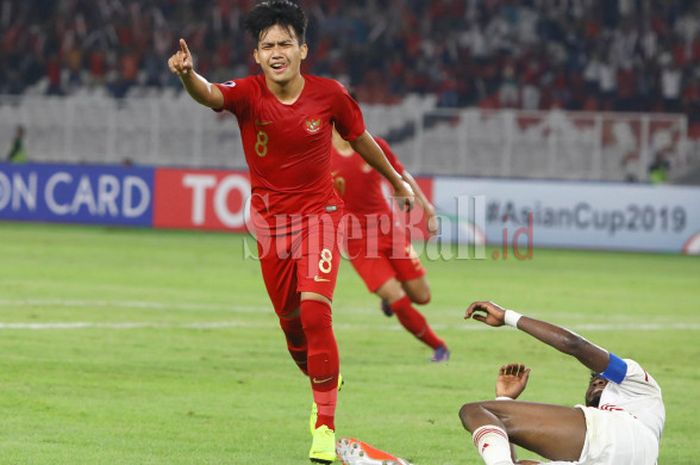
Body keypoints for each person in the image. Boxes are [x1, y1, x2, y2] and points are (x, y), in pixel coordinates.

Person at [167, 2, 414, 463]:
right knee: (294, 329)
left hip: (321, 217)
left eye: (284, 43)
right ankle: (323, 377)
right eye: (267, 46)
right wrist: (187, 76)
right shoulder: (246, 93)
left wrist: (397, 181)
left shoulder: (330, 96)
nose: (276, 52)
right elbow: (208, 94)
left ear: (303, 49)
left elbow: (363, 140)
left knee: (316, 313)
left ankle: (324, 426)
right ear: (256, 56)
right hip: (271, 228)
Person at [459, 301, 664, 465]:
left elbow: (574, 344)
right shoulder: (604, 421)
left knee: (473, 411)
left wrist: (507, 317)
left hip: (633, 439)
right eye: (592, 381)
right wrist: (504, 399)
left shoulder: (637, 383)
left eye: (602, 378)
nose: (596, 382)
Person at [330, 128, 449, 362]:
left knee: (422, 296)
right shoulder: (320, 153)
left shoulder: (371, 145)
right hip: (357, 242)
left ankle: (389, 298)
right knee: (398, 298)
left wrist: (427, 208)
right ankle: (440, 347)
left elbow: (401, 175)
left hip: (388, 231)